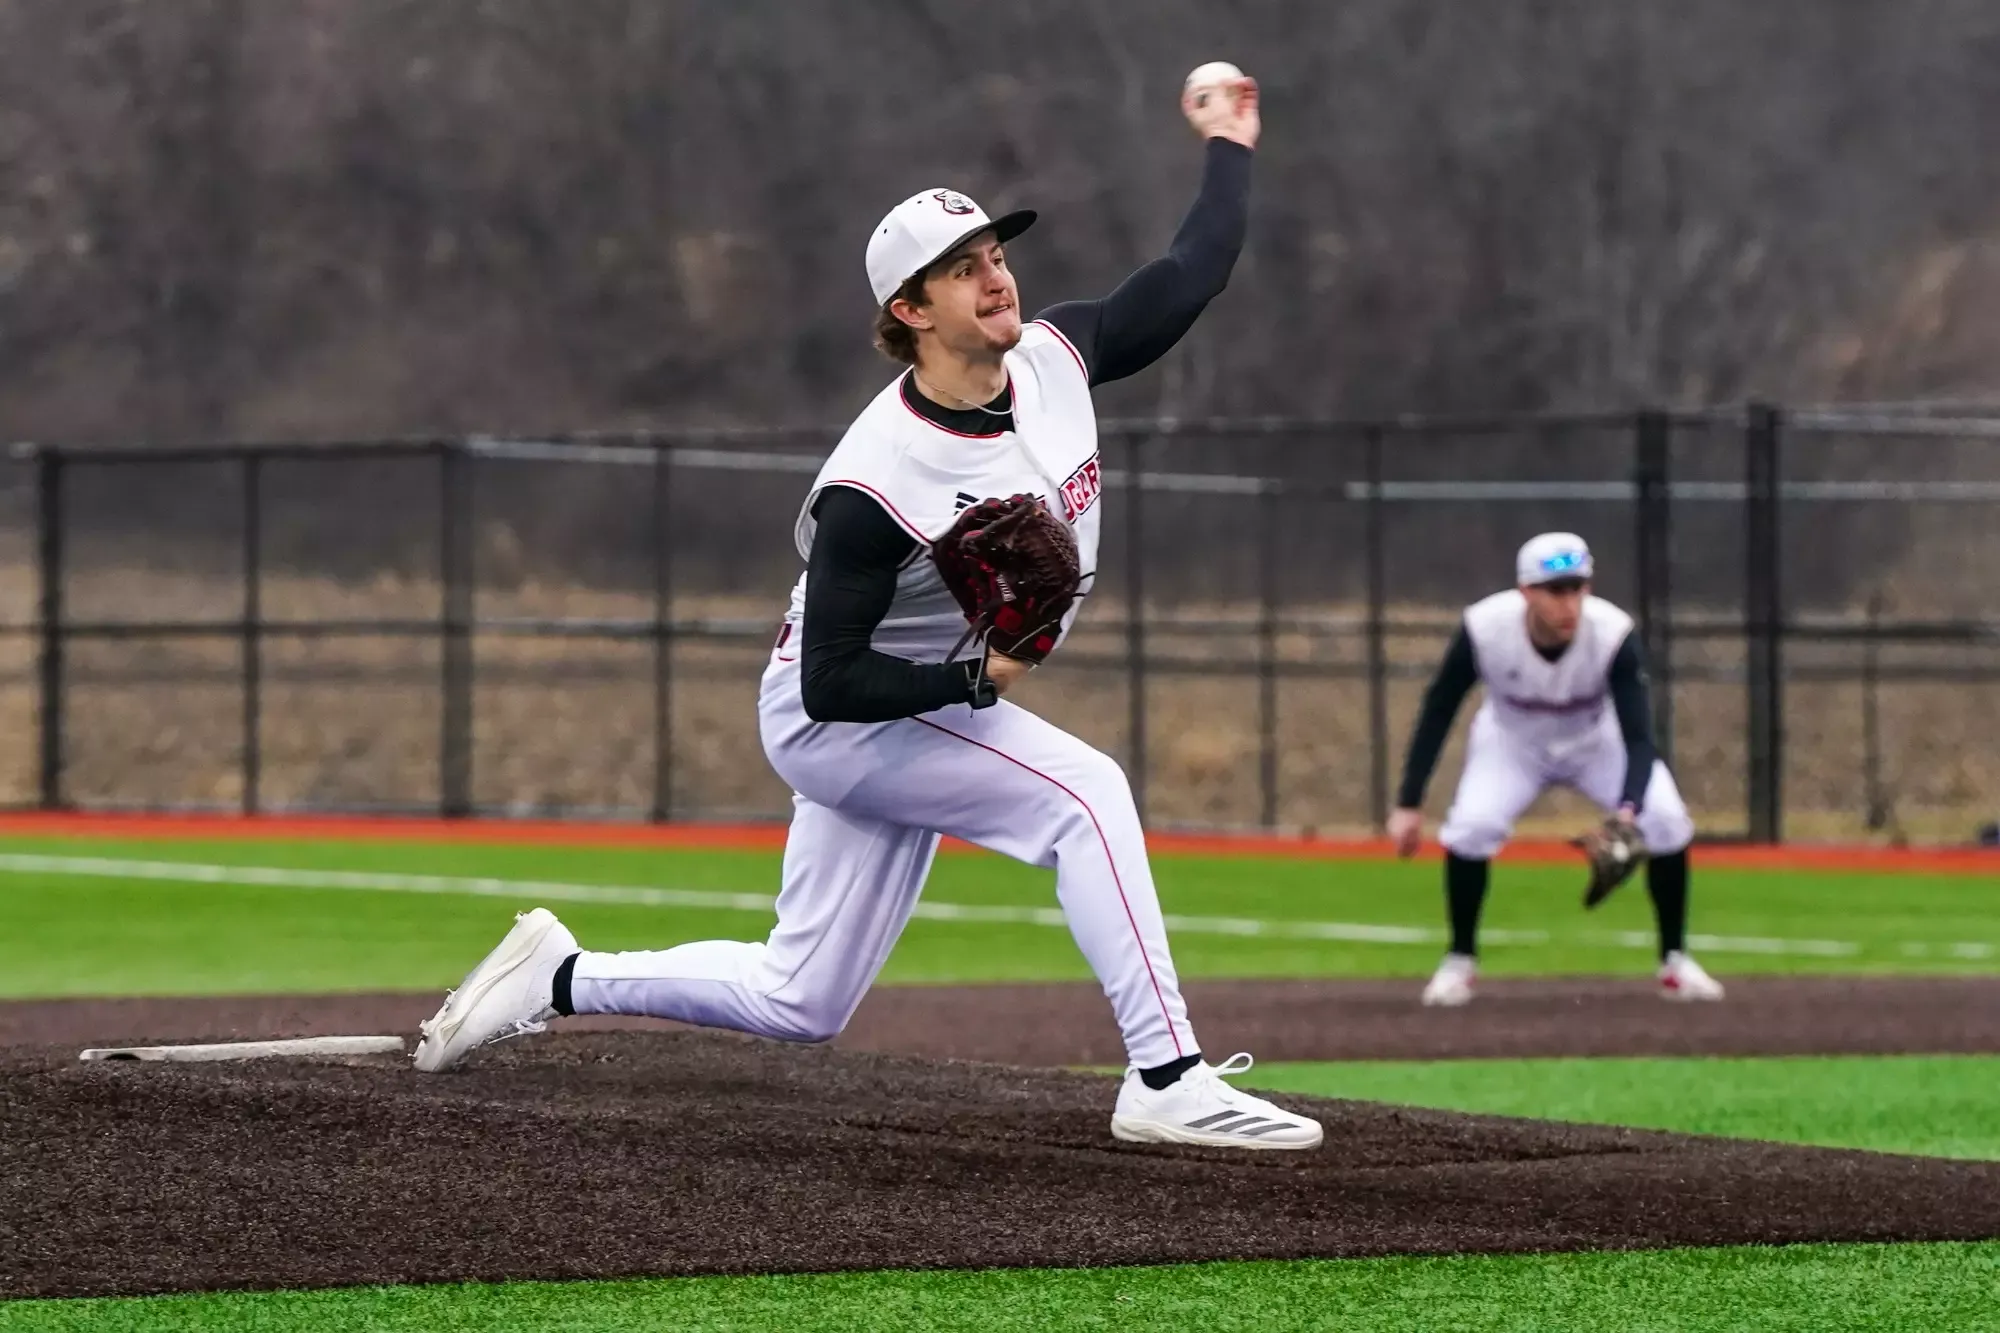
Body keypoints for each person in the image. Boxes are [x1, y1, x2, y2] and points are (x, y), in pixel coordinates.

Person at [412, 71, 1323, 1150]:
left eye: (994, 253)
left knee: (802, 999)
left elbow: (1193, 268)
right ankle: (1164, 1076)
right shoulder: (875, 483)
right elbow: (829, 682)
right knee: (1084, 796)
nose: (995, 276)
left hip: (921, 708)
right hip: (842, 720)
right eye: (962, 268)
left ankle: (555, 977)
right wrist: (975, 682)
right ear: (909, 309)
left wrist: (1228, 142)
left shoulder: (1055, 358)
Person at [1388, 533, 1725, 1007]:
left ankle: (1675, 960)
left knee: (1667, 820)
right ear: (1525, 591)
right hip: (1513, 742)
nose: (1569, 602)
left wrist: (1628, 810)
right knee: (1471, 827)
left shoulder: (1612, 632)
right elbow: (1440, 707)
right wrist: (1409, 801)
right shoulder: (1485, 627)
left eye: (1577, 587)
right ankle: (1460, 960)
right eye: (1555, 590)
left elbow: (1638, 737)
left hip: (1596, 741)